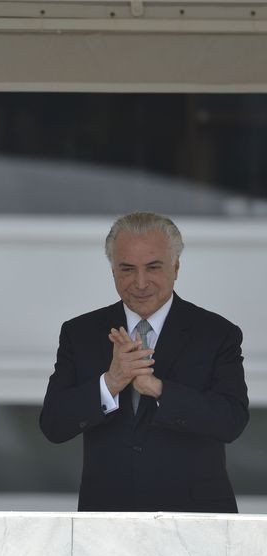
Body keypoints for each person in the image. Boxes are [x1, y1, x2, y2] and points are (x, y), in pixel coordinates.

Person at [39, 212, 249, 512]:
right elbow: (53, 425)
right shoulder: (80, 333)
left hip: (197, 520)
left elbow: (231, 422)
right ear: (112, 270)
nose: (140, 282)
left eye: (153, 267)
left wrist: (159, 389)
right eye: (127, 269)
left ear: (176, 267)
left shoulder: (217, 334)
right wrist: (110, 383)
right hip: (107, 521)